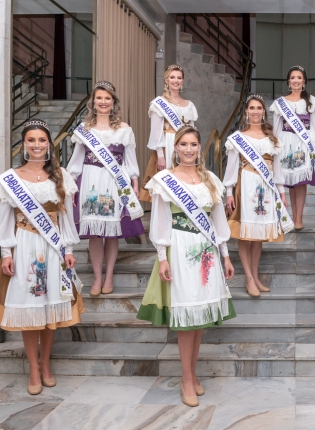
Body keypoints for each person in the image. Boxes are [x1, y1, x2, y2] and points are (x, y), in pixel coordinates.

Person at [0, 120, 84, 395]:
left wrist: (69, 250)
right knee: (30, 308)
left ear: (49, 144)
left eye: (41, 140)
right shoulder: (11, 178)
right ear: (24, 144)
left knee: (50, 306)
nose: (37, 145)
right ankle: (34, 369)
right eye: (31, 140)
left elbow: (66, 217)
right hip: (25, 246)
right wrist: (6, 252)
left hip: (53, 248)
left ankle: (46, 363)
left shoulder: (61, 176)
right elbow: (5, 219)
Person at [137, 125, 235, 407]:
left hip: (206, 251)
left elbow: (218, 221)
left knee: (199, 315)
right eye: (184, 145)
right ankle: (186, 378)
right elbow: (159, 221)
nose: (189, 149)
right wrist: (162, 256)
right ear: (175, 148)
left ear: (199, 148)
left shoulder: (211, 180)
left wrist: (225, 255)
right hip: (179, 249)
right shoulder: (164, 180)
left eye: (194, 144)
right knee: (185, 317)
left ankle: (191, 374)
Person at [67, 81, 145, 296]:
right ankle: (97, 278)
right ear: (93, 102)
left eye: (107, 98)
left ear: (113, 102)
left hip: (114, 182)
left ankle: (109, 276)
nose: (103, 102)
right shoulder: (84, 129)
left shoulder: (124, 128)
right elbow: (76, 160)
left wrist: (135, 182)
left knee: (111, 232)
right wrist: (72, 185)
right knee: (94, 234)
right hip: (90, 179)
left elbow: (130, 160)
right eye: (99, 98)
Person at [225, 94, 292, 297]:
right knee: (246, 234)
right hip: (245, 185)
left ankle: (255, 274)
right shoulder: (237, 138)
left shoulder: (272, 139)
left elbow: (277, 168)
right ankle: (249, 278)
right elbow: (231, 168)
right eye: (252, 108)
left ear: (264, 112)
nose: (255, 111)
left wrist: (282, 192)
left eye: (259, 108)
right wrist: (229, 192)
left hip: (267, 188)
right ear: (246, 112)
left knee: (259, 236)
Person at [270, 65, 315, 230]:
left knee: (300, 182)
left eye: (299, 78)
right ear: (288, 81)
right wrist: (274, 147)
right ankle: (292, 217)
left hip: (303, 144)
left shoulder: (312, 102)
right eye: (293, 77)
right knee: (289, 182)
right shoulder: (280, 103)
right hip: (286, 143)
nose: (296, 80)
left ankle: (299, 218)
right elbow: (276, 128)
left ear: (304, 81)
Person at [139, 64, 198, 202]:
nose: (175, 81)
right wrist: (160, 156)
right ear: (166, 80)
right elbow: (156, 132)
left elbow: (194, 131)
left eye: (179, 78)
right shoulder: (159, 104)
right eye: (172, 77)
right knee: (169, 181)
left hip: (186, 147)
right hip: (168, 145)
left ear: (182, 81)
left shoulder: (189, 104)